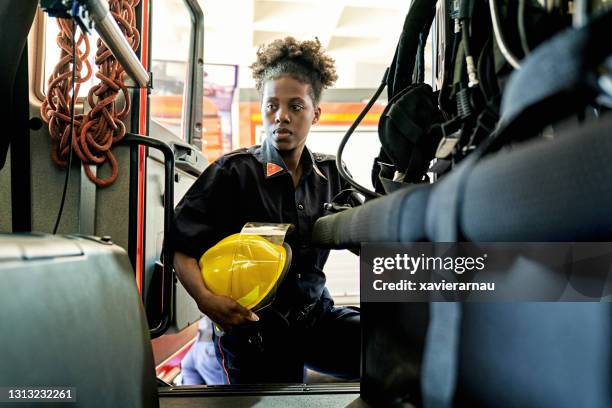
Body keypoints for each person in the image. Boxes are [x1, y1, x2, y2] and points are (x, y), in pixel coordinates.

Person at [170, 36, 360, 385]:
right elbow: (182, 247)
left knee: (394, 346)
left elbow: (370, 237)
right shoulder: (232, 172)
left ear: (315, 113)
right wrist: (206, 300)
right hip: (254, 333)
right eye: (271, 105)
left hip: (316, 318)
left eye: (295, 106)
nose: (281, 117)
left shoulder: (333, 174)